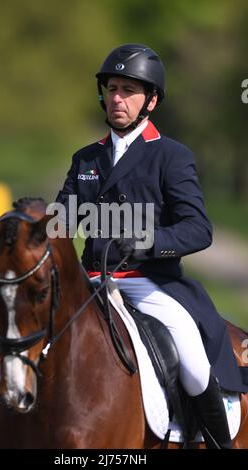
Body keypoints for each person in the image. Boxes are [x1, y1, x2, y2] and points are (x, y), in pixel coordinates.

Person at [55, 43, 248, 448]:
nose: (117, 98)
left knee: (194, 363)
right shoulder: (86, 159)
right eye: (111, 89)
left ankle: (217, 444)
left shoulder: (171, 156)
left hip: (148, 281)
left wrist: (147, 241)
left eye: (128, 90)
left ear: (152, 100)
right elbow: (60, 223)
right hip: (91, 281)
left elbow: (198, 229)